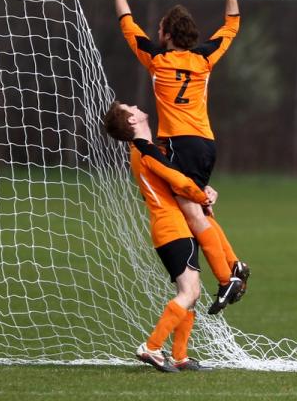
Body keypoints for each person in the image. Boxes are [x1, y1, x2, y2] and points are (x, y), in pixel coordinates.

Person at [108, 0, 249, 313]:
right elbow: (231, 26)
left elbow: (130, 28)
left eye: (160, 30)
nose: (157, 34)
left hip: (180, 144)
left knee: (191, 212)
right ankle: (235, 266)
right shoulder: (204, 60)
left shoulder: (157, 61)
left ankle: (227, 275)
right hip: (206, 143)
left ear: (167, 35)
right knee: (199, 209)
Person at [102, 101, 239, 372]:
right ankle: (151, 347)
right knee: (189, 292)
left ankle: (180, 357)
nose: (135, 106)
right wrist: (202, 198)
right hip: (172, 228)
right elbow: (178, 182)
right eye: (130, 108)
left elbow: (178, 179)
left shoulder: (148, 149)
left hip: (171, 227)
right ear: (131, 121)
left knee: (190, 292)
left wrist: (203, 191)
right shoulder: (147, 151)